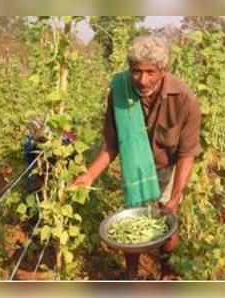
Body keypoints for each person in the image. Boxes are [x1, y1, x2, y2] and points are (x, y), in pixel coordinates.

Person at [72, 35, 202, 279]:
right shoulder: (119, 91)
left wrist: (176, 196)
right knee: (131, 221)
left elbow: (187, 154)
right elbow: (111, 145)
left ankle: (166, 271)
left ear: (163, 69)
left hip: (167, 167)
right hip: (134, 170)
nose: (142, 80)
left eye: (150, 72)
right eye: (136, 71)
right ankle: (131, 275)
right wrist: (88, 176)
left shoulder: (185, 99)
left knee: (167, 222)